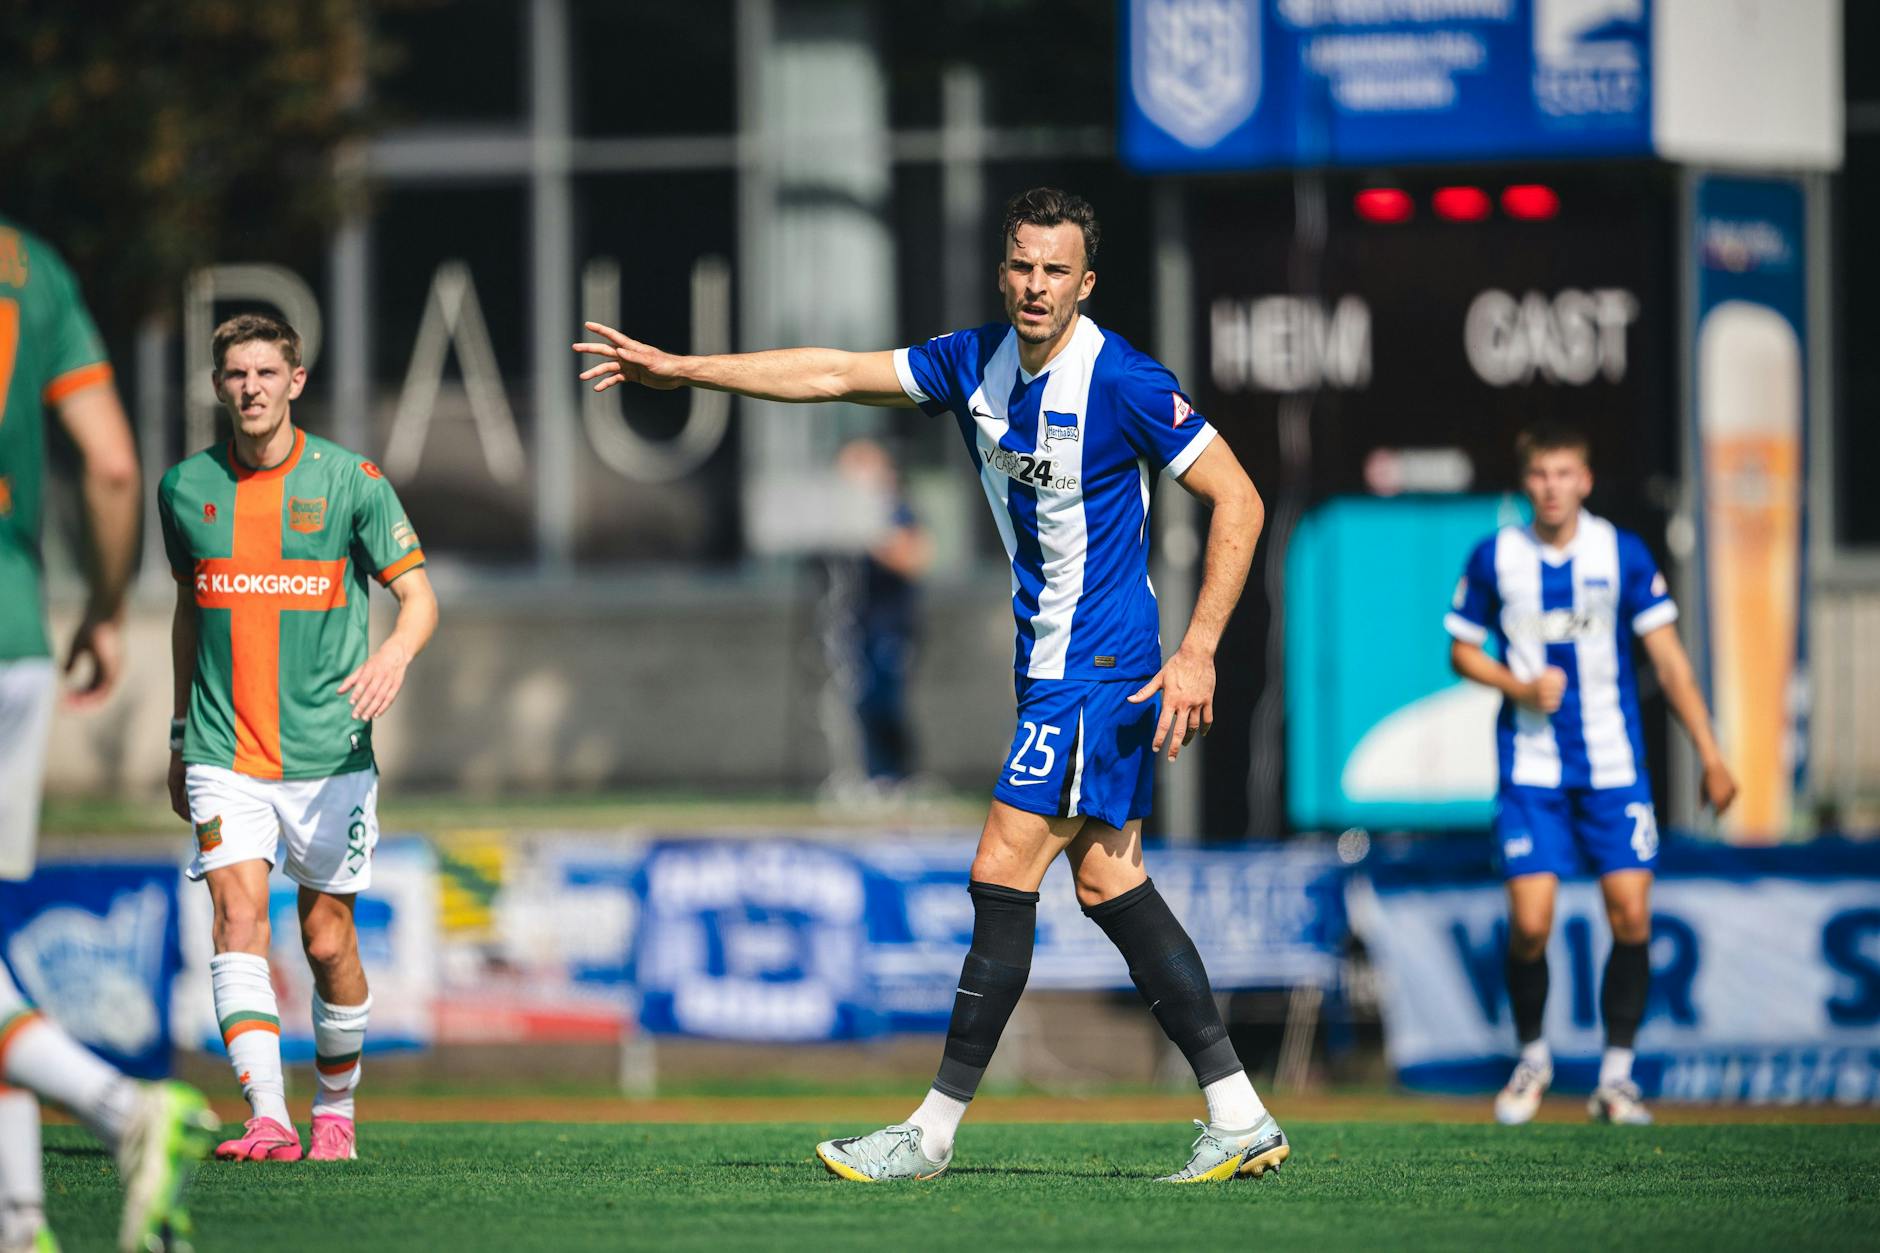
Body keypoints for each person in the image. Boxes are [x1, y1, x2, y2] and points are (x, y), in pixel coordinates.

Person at [577, 188, 1277, 1183]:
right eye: (1021, 265)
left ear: (1085, 283)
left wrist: (1199, 647)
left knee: (1001, 863)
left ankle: (930, 1130)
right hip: (1050, 669)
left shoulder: (1118, 378)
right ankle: (1238, 1110)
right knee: (1107, 878)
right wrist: (685, 368)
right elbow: (825, 372)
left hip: (1101, 665)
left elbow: (1237, 497)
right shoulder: (970, 361)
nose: (1035, 285)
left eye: (1055, 270)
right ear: (1003, 271)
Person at [158, 313, 437, 1164]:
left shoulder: (352, 481)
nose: (251, 388)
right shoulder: (184, 488)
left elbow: (419, 598)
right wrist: (178, 731)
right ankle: (268, 1116)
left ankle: (336, 1109)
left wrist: (394, 650)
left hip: (329, 755)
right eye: (236, 374)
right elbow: (189, 610)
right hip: (222, 748)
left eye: (265, 373)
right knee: (236, 916)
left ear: (296, 380)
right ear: (217, 386)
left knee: (325, 941)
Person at [0, 216, 219, 1253]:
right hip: (16, 639)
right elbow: (114, 464)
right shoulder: (32, 265)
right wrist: (98, 606)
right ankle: (20, 1216)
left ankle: (125, 1109)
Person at [1445, 423, 1737, 1125]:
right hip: (1531, 767)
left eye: (1565, 473)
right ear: (1526, 483)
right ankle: (1533, 1057)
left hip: (1613, 765)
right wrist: (1517, 685)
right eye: (1541, 474)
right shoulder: (1497, 556)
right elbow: (1460, 649)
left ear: (1586, 480)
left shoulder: (1621, 553)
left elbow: (1668, 661)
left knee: (1632, 915)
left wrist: (1712, 752)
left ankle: (1616, 1077)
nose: (1553, 487)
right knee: (1531, 923)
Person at [831, 437, 932, 788]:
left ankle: (900, 775)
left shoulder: (896, 512)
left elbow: (915, 558)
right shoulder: (843, 515)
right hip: (856, 625)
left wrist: (873, 537)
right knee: (859, 701)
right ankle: (872, 774)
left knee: (886, 699)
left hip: (892, 624)